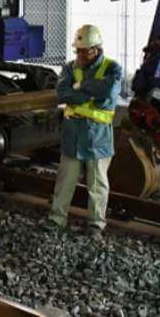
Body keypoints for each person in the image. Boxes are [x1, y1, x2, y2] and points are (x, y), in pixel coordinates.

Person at [45, 24, 123, 237]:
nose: (79, 54)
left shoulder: (112, 68)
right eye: (77, 50)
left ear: (95, 50)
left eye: (83, 50)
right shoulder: (70, 68)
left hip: (97, 136)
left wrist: (79, 87)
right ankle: (57, 218)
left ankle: (96, 224)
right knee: (64, 181)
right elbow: (63, 93)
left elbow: (107, 91)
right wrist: (90, 92)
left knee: (97, 184)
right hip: (73, 134)